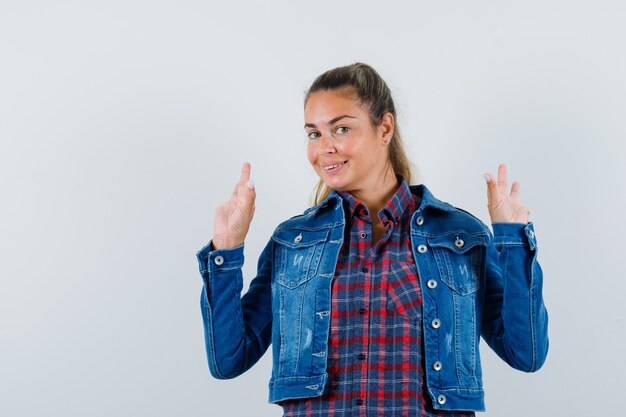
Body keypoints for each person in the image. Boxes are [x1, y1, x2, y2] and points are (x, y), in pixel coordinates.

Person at [196, 63, 548, 416]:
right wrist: (227, 249)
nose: (325, 148)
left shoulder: (459, 236)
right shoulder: (292, 243)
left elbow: (526, 353)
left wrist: (512, 239)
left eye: (342, 129)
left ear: (385, 128)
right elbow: (228, 359)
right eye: (314, 134)